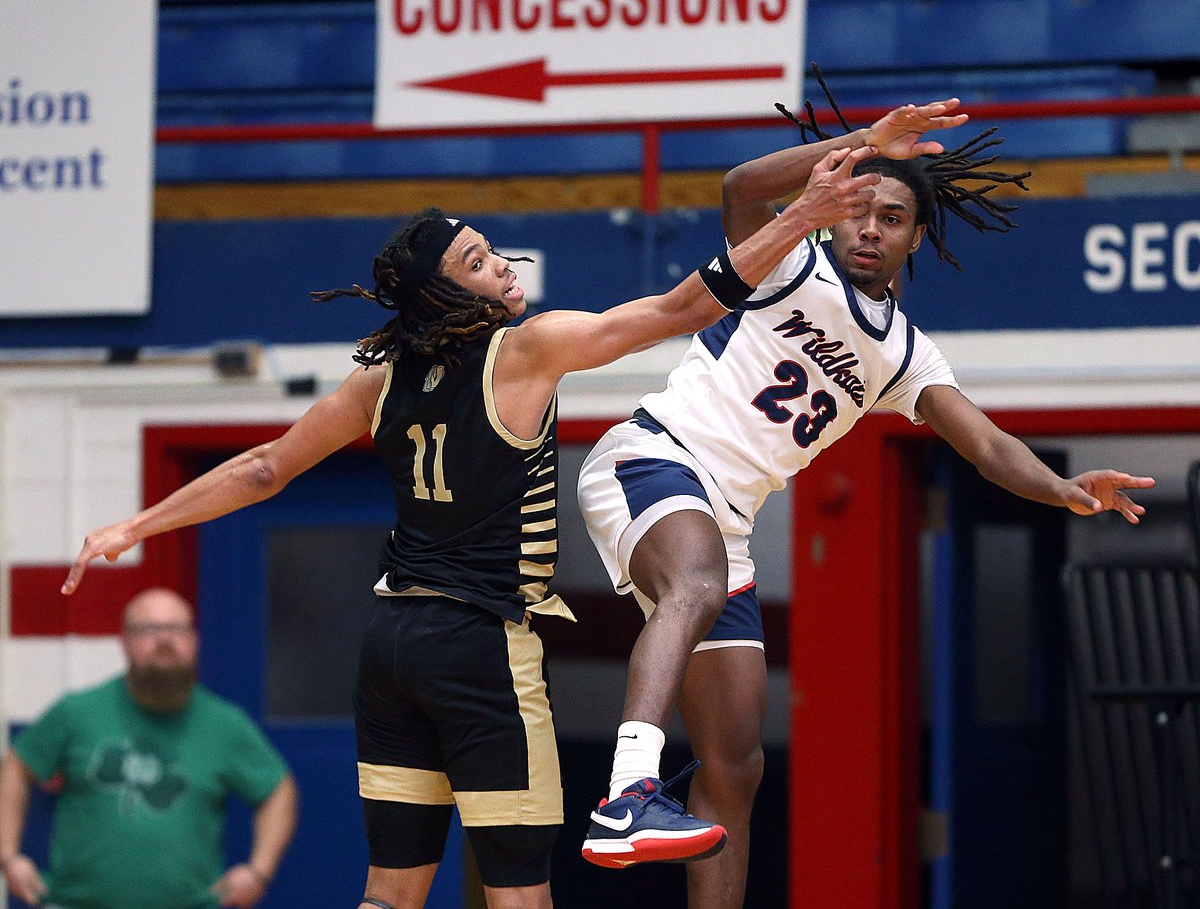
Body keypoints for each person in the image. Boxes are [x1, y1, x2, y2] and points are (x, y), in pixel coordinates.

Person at [53, 134, 904, 909]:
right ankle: (630, 797)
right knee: (520, 899)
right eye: (474, 259)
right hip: (480, 643)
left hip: (390, 640)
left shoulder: (375, 379)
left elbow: (264, 467)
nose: (499, 261)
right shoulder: (523, 348)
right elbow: (685, 308)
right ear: (444, 294)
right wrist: (800, 217)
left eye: (488, 246)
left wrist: (134, 527)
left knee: (390, 893)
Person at [575, 78, 1157, 908]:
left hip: (727, 520)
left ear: (915, 239)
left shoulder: (904, 356)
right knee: (696, 584)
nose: (871, 229)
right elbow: (740, 186)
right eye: (862, 208)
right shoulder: (789, 259)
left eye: (892, 219)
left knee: (737, 758)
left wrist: (1063, 488)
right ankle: (628, 792)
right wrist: (869, 146)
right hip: (654, 459)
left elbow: (986, 444)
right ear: (838, 207)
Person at [0, 587, 297, 909]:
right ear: (124, 641)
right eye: (149, 630)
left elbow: (278, 788)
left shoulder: (225, 724)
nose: (164, 641)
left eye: (177, 629)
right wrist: (9, 856)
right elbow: (17, 766)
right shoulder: (77, 712)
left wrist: (259, 871)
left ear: (194, 641)